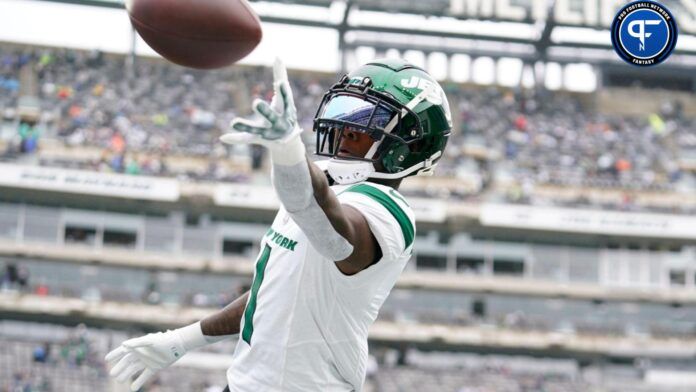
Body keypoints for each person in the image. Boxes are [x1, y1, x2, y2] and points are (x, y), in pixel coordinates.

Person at [105, 58, 452, 392]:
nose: (345, 129)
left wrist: (290, 154)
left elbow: (334, 237)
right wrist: (184, 339)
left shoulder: (388, 211)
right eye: (345, 114)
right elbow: (271, 290)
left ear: (411, 145)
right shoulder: (319, 191)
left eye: (365, 122)